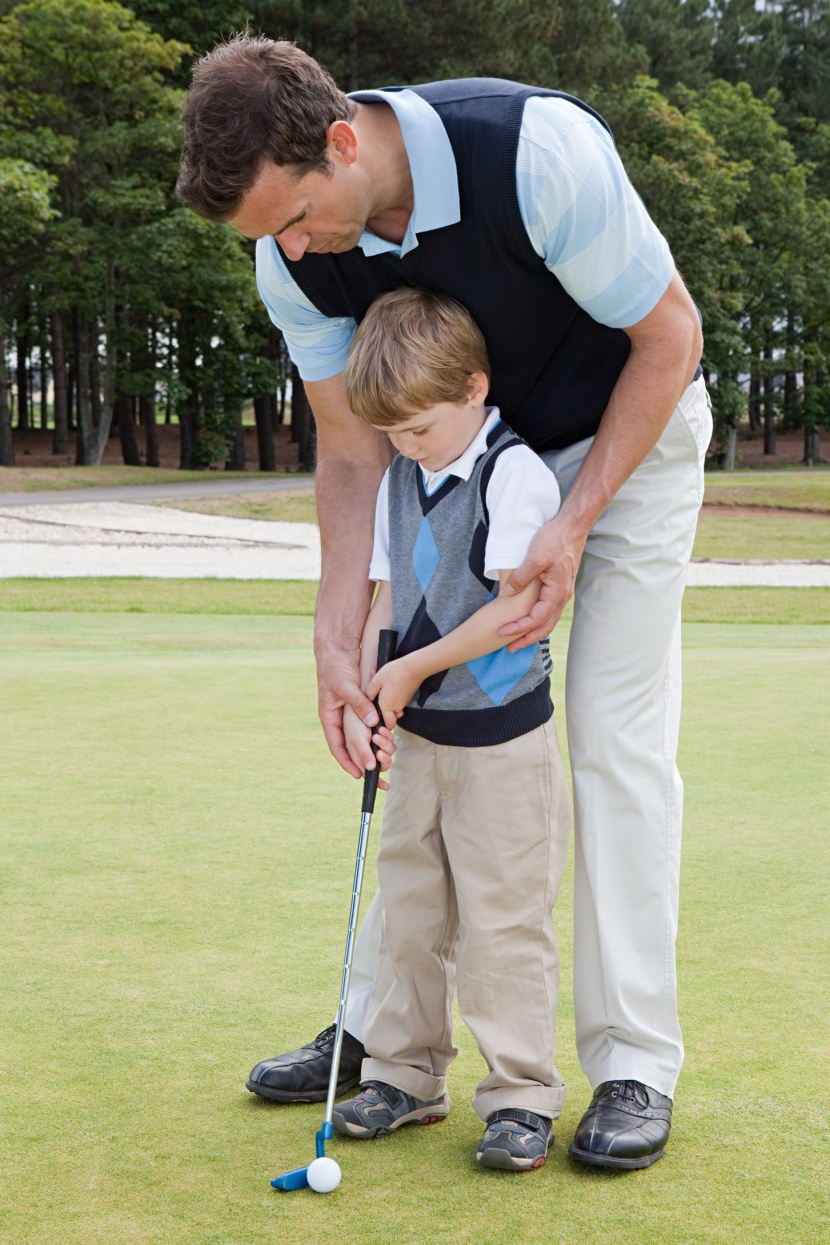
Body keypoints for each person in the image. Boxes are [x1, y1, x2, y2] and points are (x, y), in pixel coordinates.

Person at [177, 35, 711, 1170]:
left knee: (611, 742)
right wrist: (334, 639)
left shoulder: (534, 152)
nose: (285, 249)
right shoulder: (292, 258)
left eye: (293, 217)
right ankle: (379, 1034)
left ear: (338, 139)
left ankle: (630, 1063)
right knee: (405, 736)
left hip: (627, 437)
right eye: (263, 236)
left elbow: (667, 337)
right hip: (444, 463)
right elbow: (345, 449)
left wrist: (570, 522)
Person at [328, 285, 570, 1171]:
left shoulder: (517, 475)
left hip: (503, 741)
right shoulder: (400, 477)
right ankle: (404, 1075)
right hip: (419, 738)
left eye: (421, 428)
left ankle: (520, 1095)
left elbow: (514, 612)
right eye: (393, 433)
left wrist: (411, 669)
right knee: (410, 910)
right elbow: (389, 600)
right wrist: (364, 684)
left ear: (474, 389)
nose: (407, 446)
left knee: (504, 920)